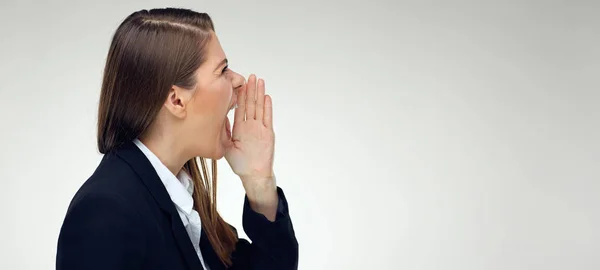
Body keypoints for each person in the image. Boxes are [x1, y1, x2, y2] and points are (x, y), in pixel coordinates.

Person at [55, 7, 298, 270]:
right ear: (176, 99)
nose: (238, 80)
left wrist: (258, 182)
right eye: (222, 70)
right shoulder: (104, 213)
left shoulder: (181, 198)